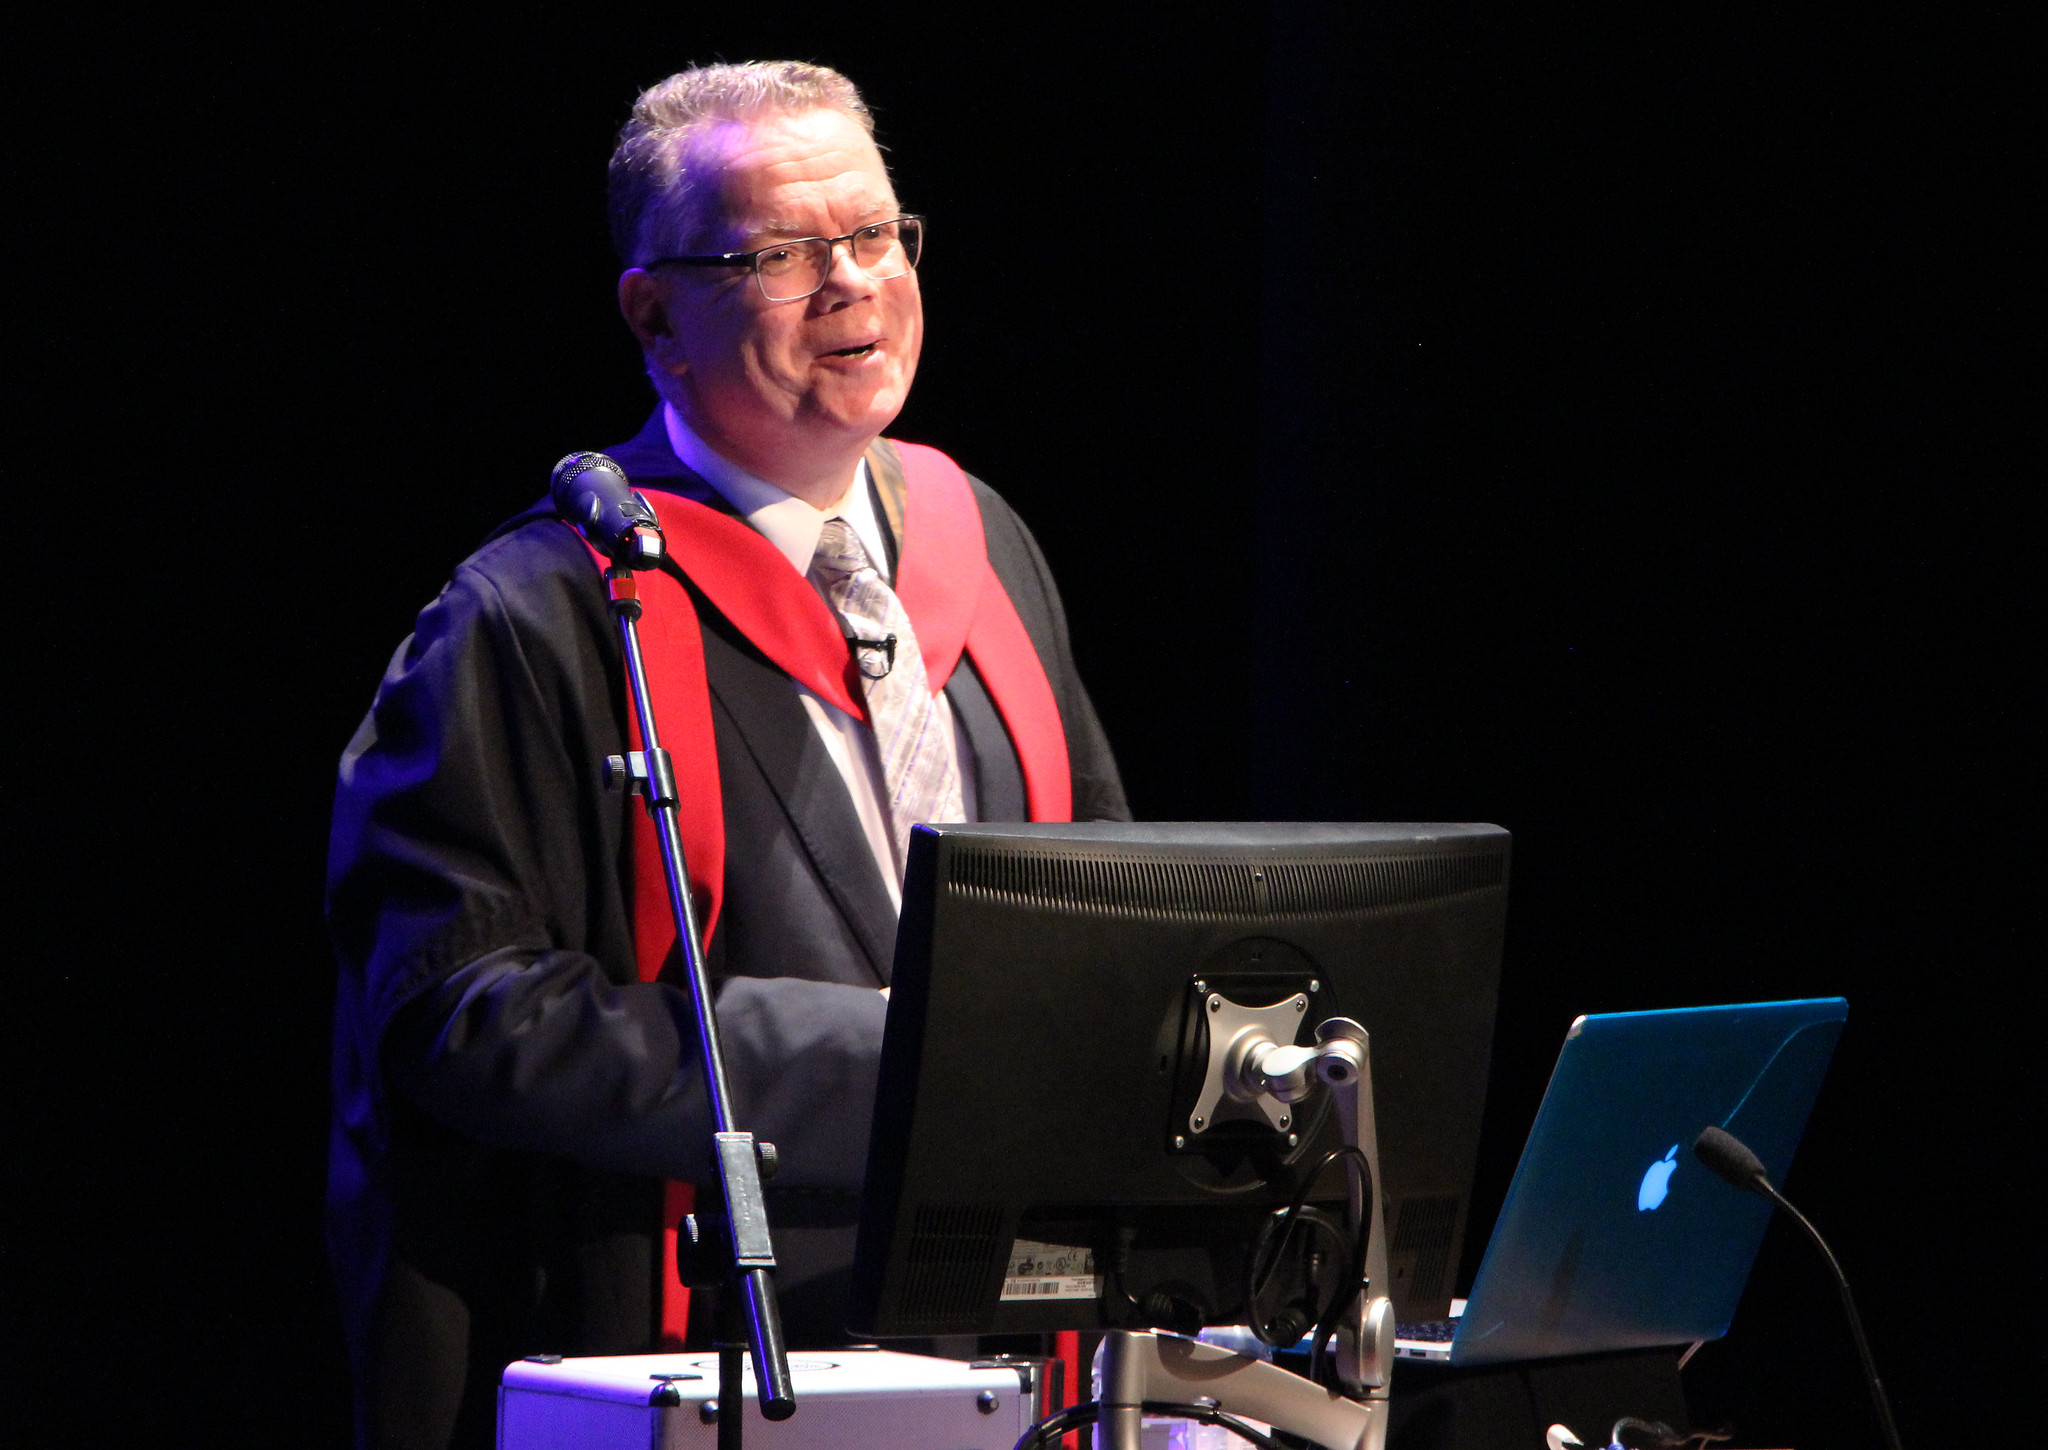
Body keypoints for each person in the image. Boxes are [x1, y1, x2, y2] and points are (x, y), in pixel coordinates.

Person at [324, 61, 1127, 1450]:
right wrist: (901, 1062)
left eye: (875, 235)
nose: (852, 286)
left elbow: (1104, 901)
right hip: (693, 1356)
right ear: (653, 313)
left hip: (999, 1352)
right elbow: (453, 1012)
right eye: (779, 255)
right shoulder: (542, 613)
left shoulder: (980, 542)